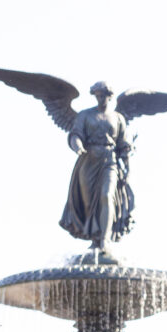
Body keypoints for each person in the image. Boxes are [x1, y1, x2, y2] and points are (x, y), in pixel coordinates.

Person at [59, 81, 134, 250]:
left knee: (107, 195)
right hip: (88, 160)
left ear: (110, 96)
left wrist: (128, 169)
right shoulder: (85, 115)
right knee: (88, 203)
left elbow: (123, 145)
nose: (100, 99)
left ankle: (105, 240)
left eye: (103, 96)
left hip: (109, 161)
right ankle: (95, 239)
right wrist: (77, 145)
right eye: (97, 96)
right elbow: (75, 134)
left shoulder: (118, 118)